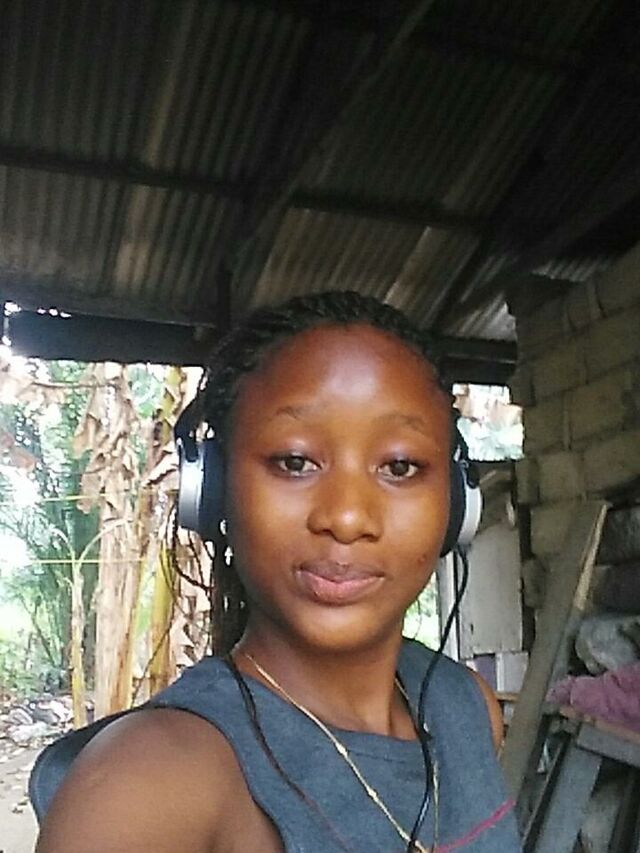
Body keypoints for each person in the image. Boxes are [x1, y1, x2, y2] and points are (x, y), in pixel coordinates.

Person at [33, 291, 522, 852]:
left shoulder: (467, 710)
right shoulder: (146, 787)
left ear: (457, 505)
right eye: (295, 462)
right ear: (212, 492)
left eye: (400, 466)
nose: (346, 517)